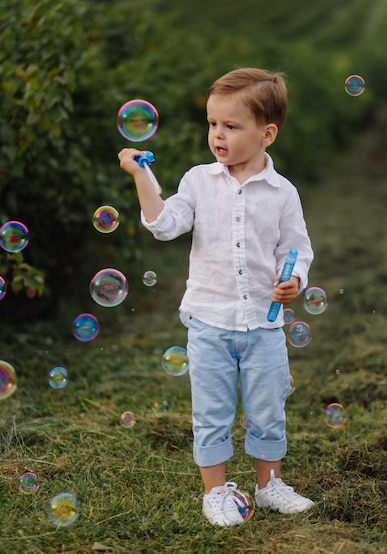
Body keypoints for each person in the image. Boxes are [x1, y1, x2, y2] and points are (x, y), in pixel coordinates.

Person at [118, 67, 315, 526]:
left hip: (264, 324)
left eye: (231, 126)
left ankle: (269, 486)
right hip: (208, 322)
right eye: (212, 124)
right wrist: (141, 177)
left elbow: (296, 249)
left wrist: (296, 279)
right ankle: (216, 492)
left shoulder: (283, 193)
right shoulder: (198, 181)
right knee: (212, 411)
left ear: (267, 134)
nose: (217, 135)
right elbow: (165, 225)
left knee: (268, 408)